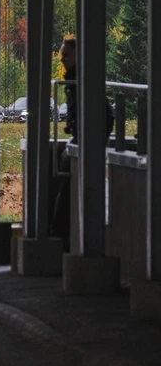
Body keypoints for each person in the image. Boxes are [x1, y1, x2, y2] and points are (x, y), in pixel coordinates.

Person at [51, 37, 115, 248]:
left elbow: (104, 115)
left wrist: (82, 132)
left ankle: (60, 236)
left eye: (66, 55)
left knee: (65, 187)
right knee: (63, 184)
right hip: (82, 139)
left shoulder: (82, 81)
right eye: (61, 55)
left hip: (85, 142)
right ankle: (60, 235)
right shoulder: (74, 80)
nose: (62, 60)